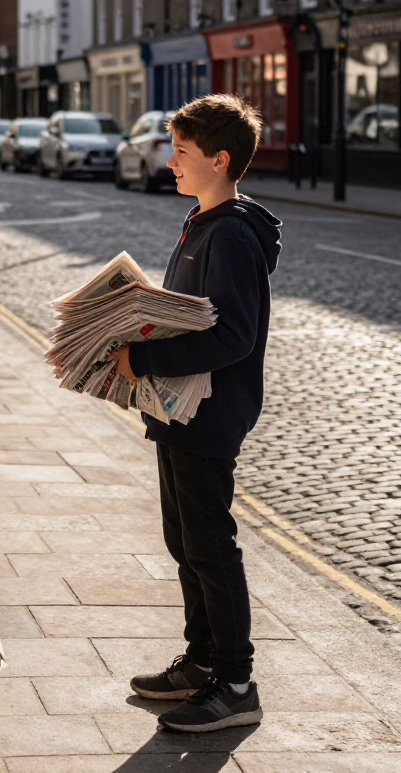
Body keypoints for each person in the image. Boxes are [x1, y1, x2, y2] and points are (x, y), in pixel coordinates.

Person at [110, 93, 281, 733]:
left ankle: (236, 682)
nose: (171, 161)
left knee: (210, 545)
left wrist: (147, 361)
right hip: (180, 410)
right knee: (184, 540)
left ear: (220, 159)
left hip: (210, 412)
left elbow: (235, 335)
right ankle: (203, 658)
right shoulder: (203, 221)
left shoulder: (232, 234)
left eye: (181, 152)